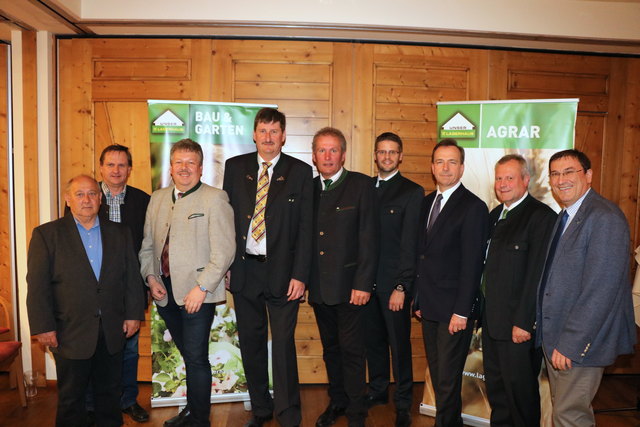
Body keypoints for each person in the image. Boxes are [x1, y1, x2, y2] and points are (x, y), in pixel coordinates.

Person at [27, 175, 144, 427]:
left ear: (100, 199)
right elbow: (37, 286)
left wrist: (134, 314)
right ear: (68, 200)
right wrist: (42, 326)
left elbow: (132, 277)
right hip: (69, 330)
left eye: (92, 193)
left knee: (109, 396)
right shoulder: (47, 235)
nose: (87, 199)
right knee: (71, 399)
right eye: (79, 194)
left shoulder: (120, 233)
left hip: (112, 330)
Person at [223, 108, 312, 427]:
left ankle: (288, 413)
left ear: (284, 136)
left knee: (284, 346)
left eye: (275, 131)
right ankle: (261, 408)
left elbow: (306, 228)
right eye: (263, 130)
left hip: (285, 275)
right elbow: (226, 221)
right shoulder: (235, 168)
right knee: (251, 342)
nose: (269, 137)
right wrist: (228, 265)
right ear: (254, 134)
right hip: (245, 272)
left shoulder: (300, 172)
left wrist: (301, 274)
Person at [139, 139, 236, 427]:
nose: (184, 168)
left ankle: (200, 420)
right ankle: (193, 410)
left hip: (197, 294)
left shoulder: (215, 198)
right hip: (164, 292)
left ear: (201, 167)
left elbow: (225, 251)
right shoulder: (157, 198)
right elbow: (147, 246)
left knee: (196, 358)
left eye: (190, 162)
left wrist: (202, 287)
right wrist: (150, 277)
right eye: (178, 162)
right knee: (188, 354)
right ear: (170, 167)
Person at [536, 149, 635, 426]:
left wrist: (570, 343)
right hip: (556, 337)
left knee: (570, 416)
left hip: (578, 344)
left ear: (588, 175)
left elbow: (600, 290)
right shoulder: (566, 216)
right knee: (563, 411)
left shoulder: (604, 218)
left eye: (569, 172)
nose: (561, 180)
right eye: (555, 174)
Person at [414, 139, 489, 427]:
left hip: (454, 312)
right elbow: (422, 257)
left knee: (447, 379)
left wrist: (462, 311)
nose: (445, 167)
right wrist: (418, 300)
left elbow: (473, 265)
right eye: (440, 162)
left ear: (462, 167)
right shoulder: (425, 203)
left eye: (452, 162)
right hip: (429, 307)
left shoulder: (473, 207)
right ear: (432, 167)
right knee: (438, 373)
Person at [308, 127, 377, 427]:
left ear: (343, 154)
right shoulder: (308, 189)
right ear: (313, 156)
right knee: (330, 350)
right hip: (320, 289)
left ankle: (357, 413)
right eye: (322, 150)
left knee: (351, 352)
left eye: (333, 150)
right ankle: (337, 401)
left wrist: (363, 283)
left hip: (351, 289)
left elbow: (369, 238)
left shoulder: (361, 185)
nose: (327, 156)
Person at [482, 154, 556, 427]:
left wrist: (524, 322)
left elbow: (538, 275)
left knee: (521, 396)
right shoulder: (494, 215)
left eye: (509, 178)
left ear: (526, 180)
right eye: (499, 178)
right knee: (498, 392)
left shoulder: (540, 217)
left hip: (518, 327)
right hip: (492, 323)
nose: (502, 184)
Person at [364, 132, 422, 427]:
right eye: (382, 152)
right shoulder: (364, 188)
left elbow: (411, 245)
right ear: (375, 155)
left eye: (392, 152)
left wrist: (402, 287)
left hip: (394, 287)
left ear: (400, 156)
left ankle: (402, 402)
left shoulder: (412, 192)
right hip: (366, 285)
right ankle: (377, 391)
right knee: (372, 342)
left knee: (399, 346)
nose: (386, 157)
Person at [95, 144, 150, 423]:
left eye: (122, 165)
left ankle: (128, 400)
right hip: (93, 291)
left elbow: (150, 246)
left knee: (129, 351)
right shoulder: (86, 197)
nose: (116, 171)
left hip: (130, 289)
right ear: (101, 167)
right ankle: (96, 403)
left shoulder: (143, 200)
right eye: (110, 165)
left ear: (130, 169)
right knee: (94, 347)